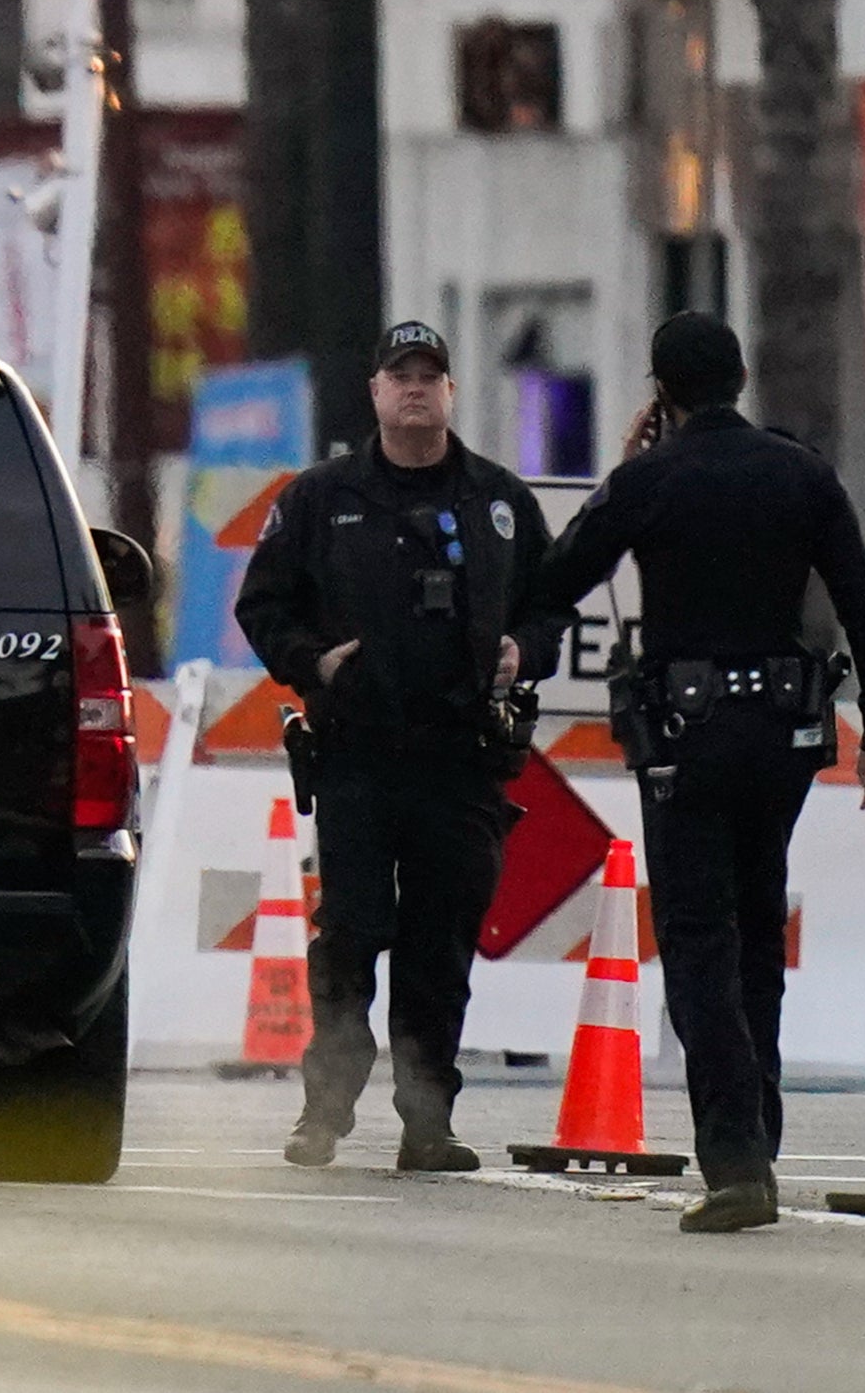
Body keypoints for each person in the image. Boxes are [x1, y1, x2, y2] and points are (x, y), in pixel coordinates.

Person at [532, 312, 865, 1234]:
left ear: (661, 389)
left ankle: (735, 1158)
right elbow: (864, 608)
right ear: (740, 376)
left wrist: (623, 476)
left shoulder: (650, 480)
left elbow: (553, 580)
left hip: (685, 743)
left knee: (697, 938)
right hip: (782, 735)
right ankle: (758, 1126)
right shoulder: (802, 473)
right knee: (752, 923)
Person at [235, 320, 567, 1173]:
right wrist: (314, 662)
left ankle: (428, 1121)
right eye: (399, 375)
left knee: (438, 943)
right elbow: (263, 604)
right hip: (356, 752)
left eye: (430, 374)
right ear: (375, 392)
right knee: (348, 933)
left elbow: (549, 604)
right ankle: (324, 1113)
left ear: (451, 391)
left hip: (460, 755)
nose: (415, 387)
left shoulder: (496, 502)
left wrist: (522, 650)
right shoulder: (320, 498)